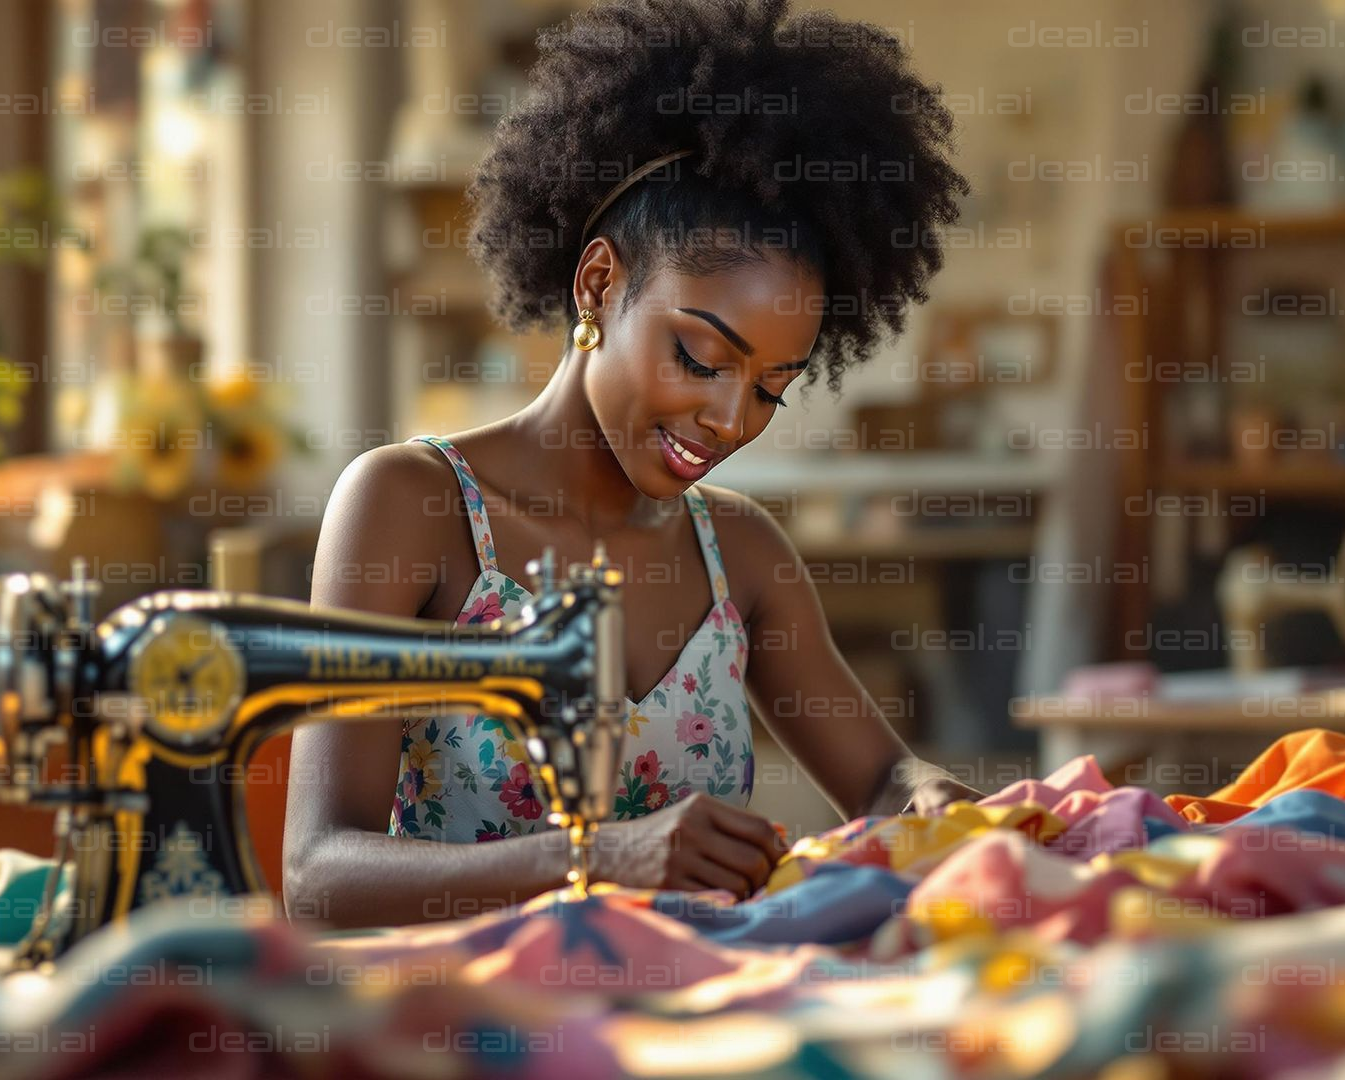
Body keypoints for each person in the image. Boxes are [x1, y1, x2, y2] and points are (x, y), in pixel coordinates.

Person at [284, 0, 980, 930]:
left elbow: (883, 776)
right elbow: (319, 876)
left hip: (695, 1020)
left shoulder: (743, 554)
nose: (732, 420)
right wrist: (597, 858)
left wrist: (932, 794)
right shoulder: (410, 507)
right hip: (467, 1031)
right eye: (700, 358)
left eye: (773, 386)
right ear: (599, 285)